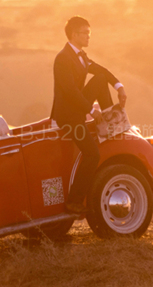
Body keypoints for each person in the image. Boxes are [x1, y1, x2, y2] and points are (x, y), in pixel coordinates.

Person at [51, 16, 126, 215]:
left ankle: (110, 124)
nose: (89, 37)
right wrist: (91, 111)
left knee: (100, 79)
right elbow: (70, 92)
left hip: (77, 109)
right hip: (68, 116)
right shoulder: (62, 58)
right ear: (74, 35)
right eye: (86, 33)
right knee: (93, 155)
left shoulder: (81, 56)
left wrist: (119, 86)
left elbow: (101, 70)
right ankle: (74, 201)